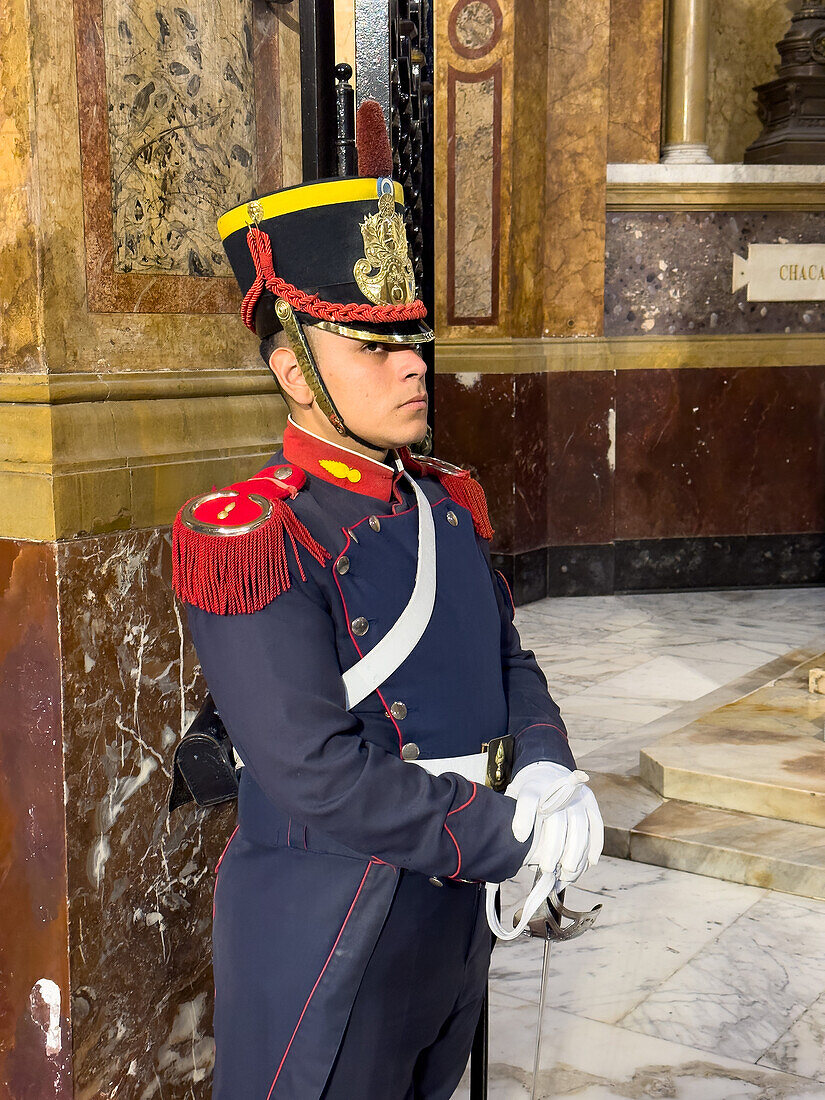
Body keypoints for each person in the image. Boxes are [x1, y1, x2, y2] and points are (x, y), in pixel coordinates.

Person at [172, 120, 603, 1099]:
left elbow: (507, 658)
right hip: (333, 918)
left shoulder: (442, 499)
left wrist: (545, 764)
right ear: (296, 372)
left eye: (411, 339)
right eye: (374, 345)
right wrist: (508, 832)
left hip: (449, 909)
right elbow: (315, 773)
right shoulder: (253, 534)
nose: (413, 364)